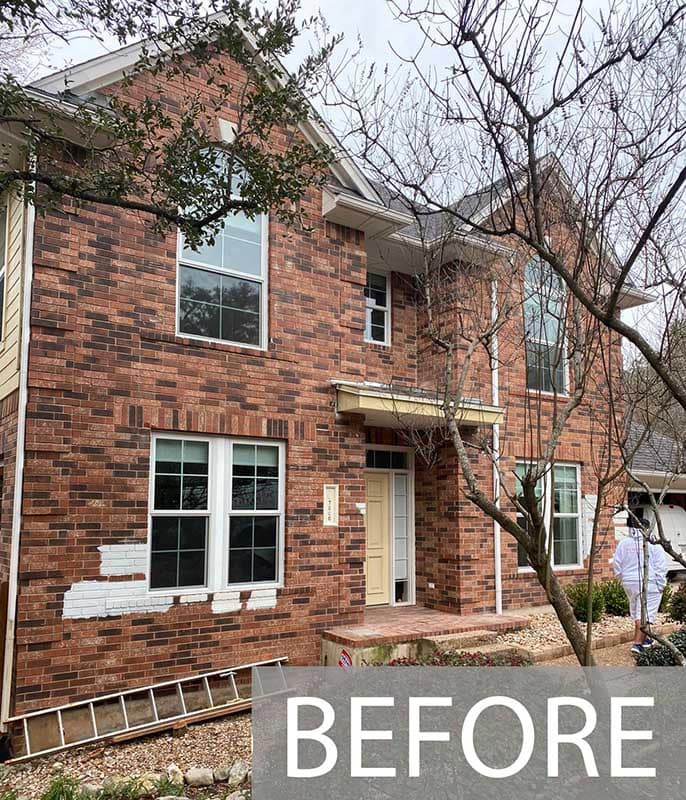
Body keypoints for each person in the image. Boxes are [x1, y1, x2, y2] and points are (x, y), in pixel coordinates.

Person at [613, 525, 668, 656]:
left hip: (629, 582)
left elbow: (616, 562)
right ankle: (637, 644)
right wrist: (661, 584)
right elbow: (660, 566)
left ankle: (646, 639)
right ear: (648, 528)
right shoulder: (653, 544)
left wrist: (621, 578)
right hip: (649, 582)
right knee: (644, 614)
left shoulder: (624, 543)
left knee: (637, 610)